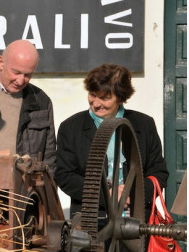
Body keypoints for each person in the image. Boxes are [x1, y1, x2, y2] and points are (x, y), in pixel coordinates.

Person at [54, 62, 169, 216]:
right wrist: (107, 194)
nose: (96, 103)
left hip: (138, 221)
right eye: (92, 95)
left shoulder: (144, 124)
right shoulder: (70, 127)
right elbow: (64, 176)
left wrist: (131, 193)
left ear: (121, 98)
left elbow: (159, 173)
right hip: (91, 220)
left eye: (104, 98)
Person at [0, 39, 57, 175]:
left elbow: (49, 159)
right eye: (16, 72)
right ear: (1, 62)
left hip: (22, 191)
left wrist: (45, 195)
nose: (20, 80)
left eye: (27, 75)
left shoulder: (41, 102)